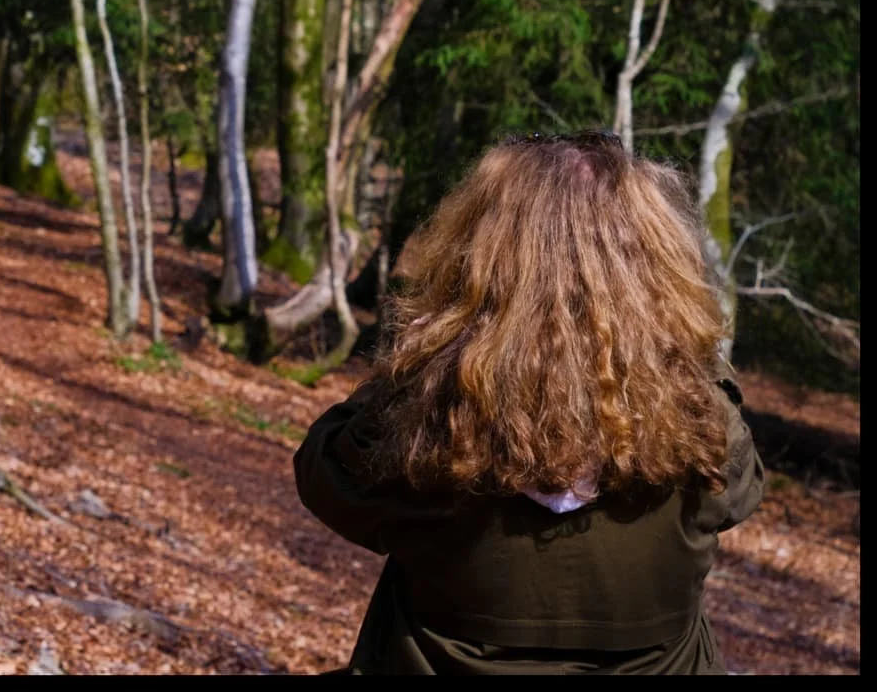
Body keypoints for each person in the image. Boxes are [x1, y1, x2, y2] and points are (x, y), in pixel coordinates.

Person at [295, 131, 764, 674]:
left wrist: (418, 362)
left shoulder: (420, 423)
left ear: (477, 257)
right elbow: (742, 489)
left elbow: (324, 473)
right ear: (655, 265)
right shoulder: (703, 423)